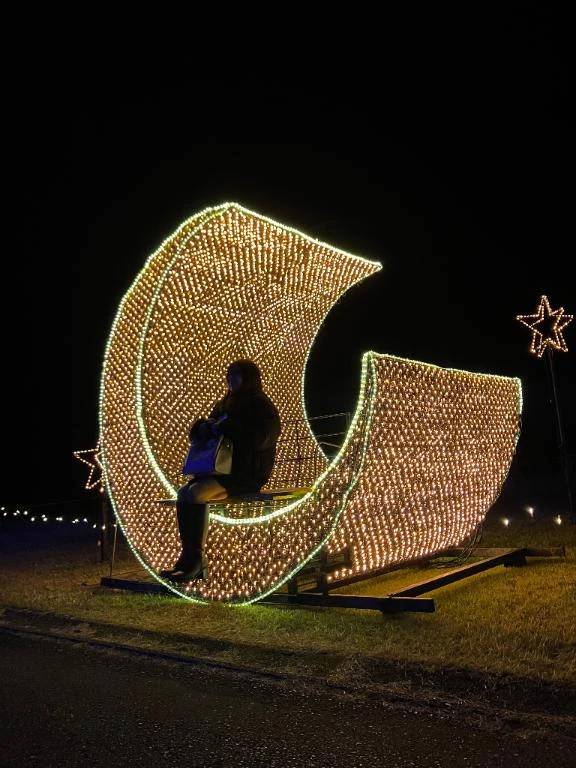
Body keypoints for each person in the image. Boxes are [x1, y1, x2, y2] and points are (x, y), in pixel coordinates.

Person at [160, 359, 281, 582]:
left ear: (248, 378)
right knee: (183, 493)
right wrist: (203, 428)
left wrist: (230, 429)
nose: (230, 380)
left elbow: (262, 440)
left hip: (245, 474)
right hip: (218, 471)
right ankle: (187, 558)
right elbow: (210, 428)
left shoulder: (261, 405)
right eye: (228, 375)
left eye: (236, 375)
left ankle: (196, 561)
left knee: (195, 494)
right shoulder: (225, 403)